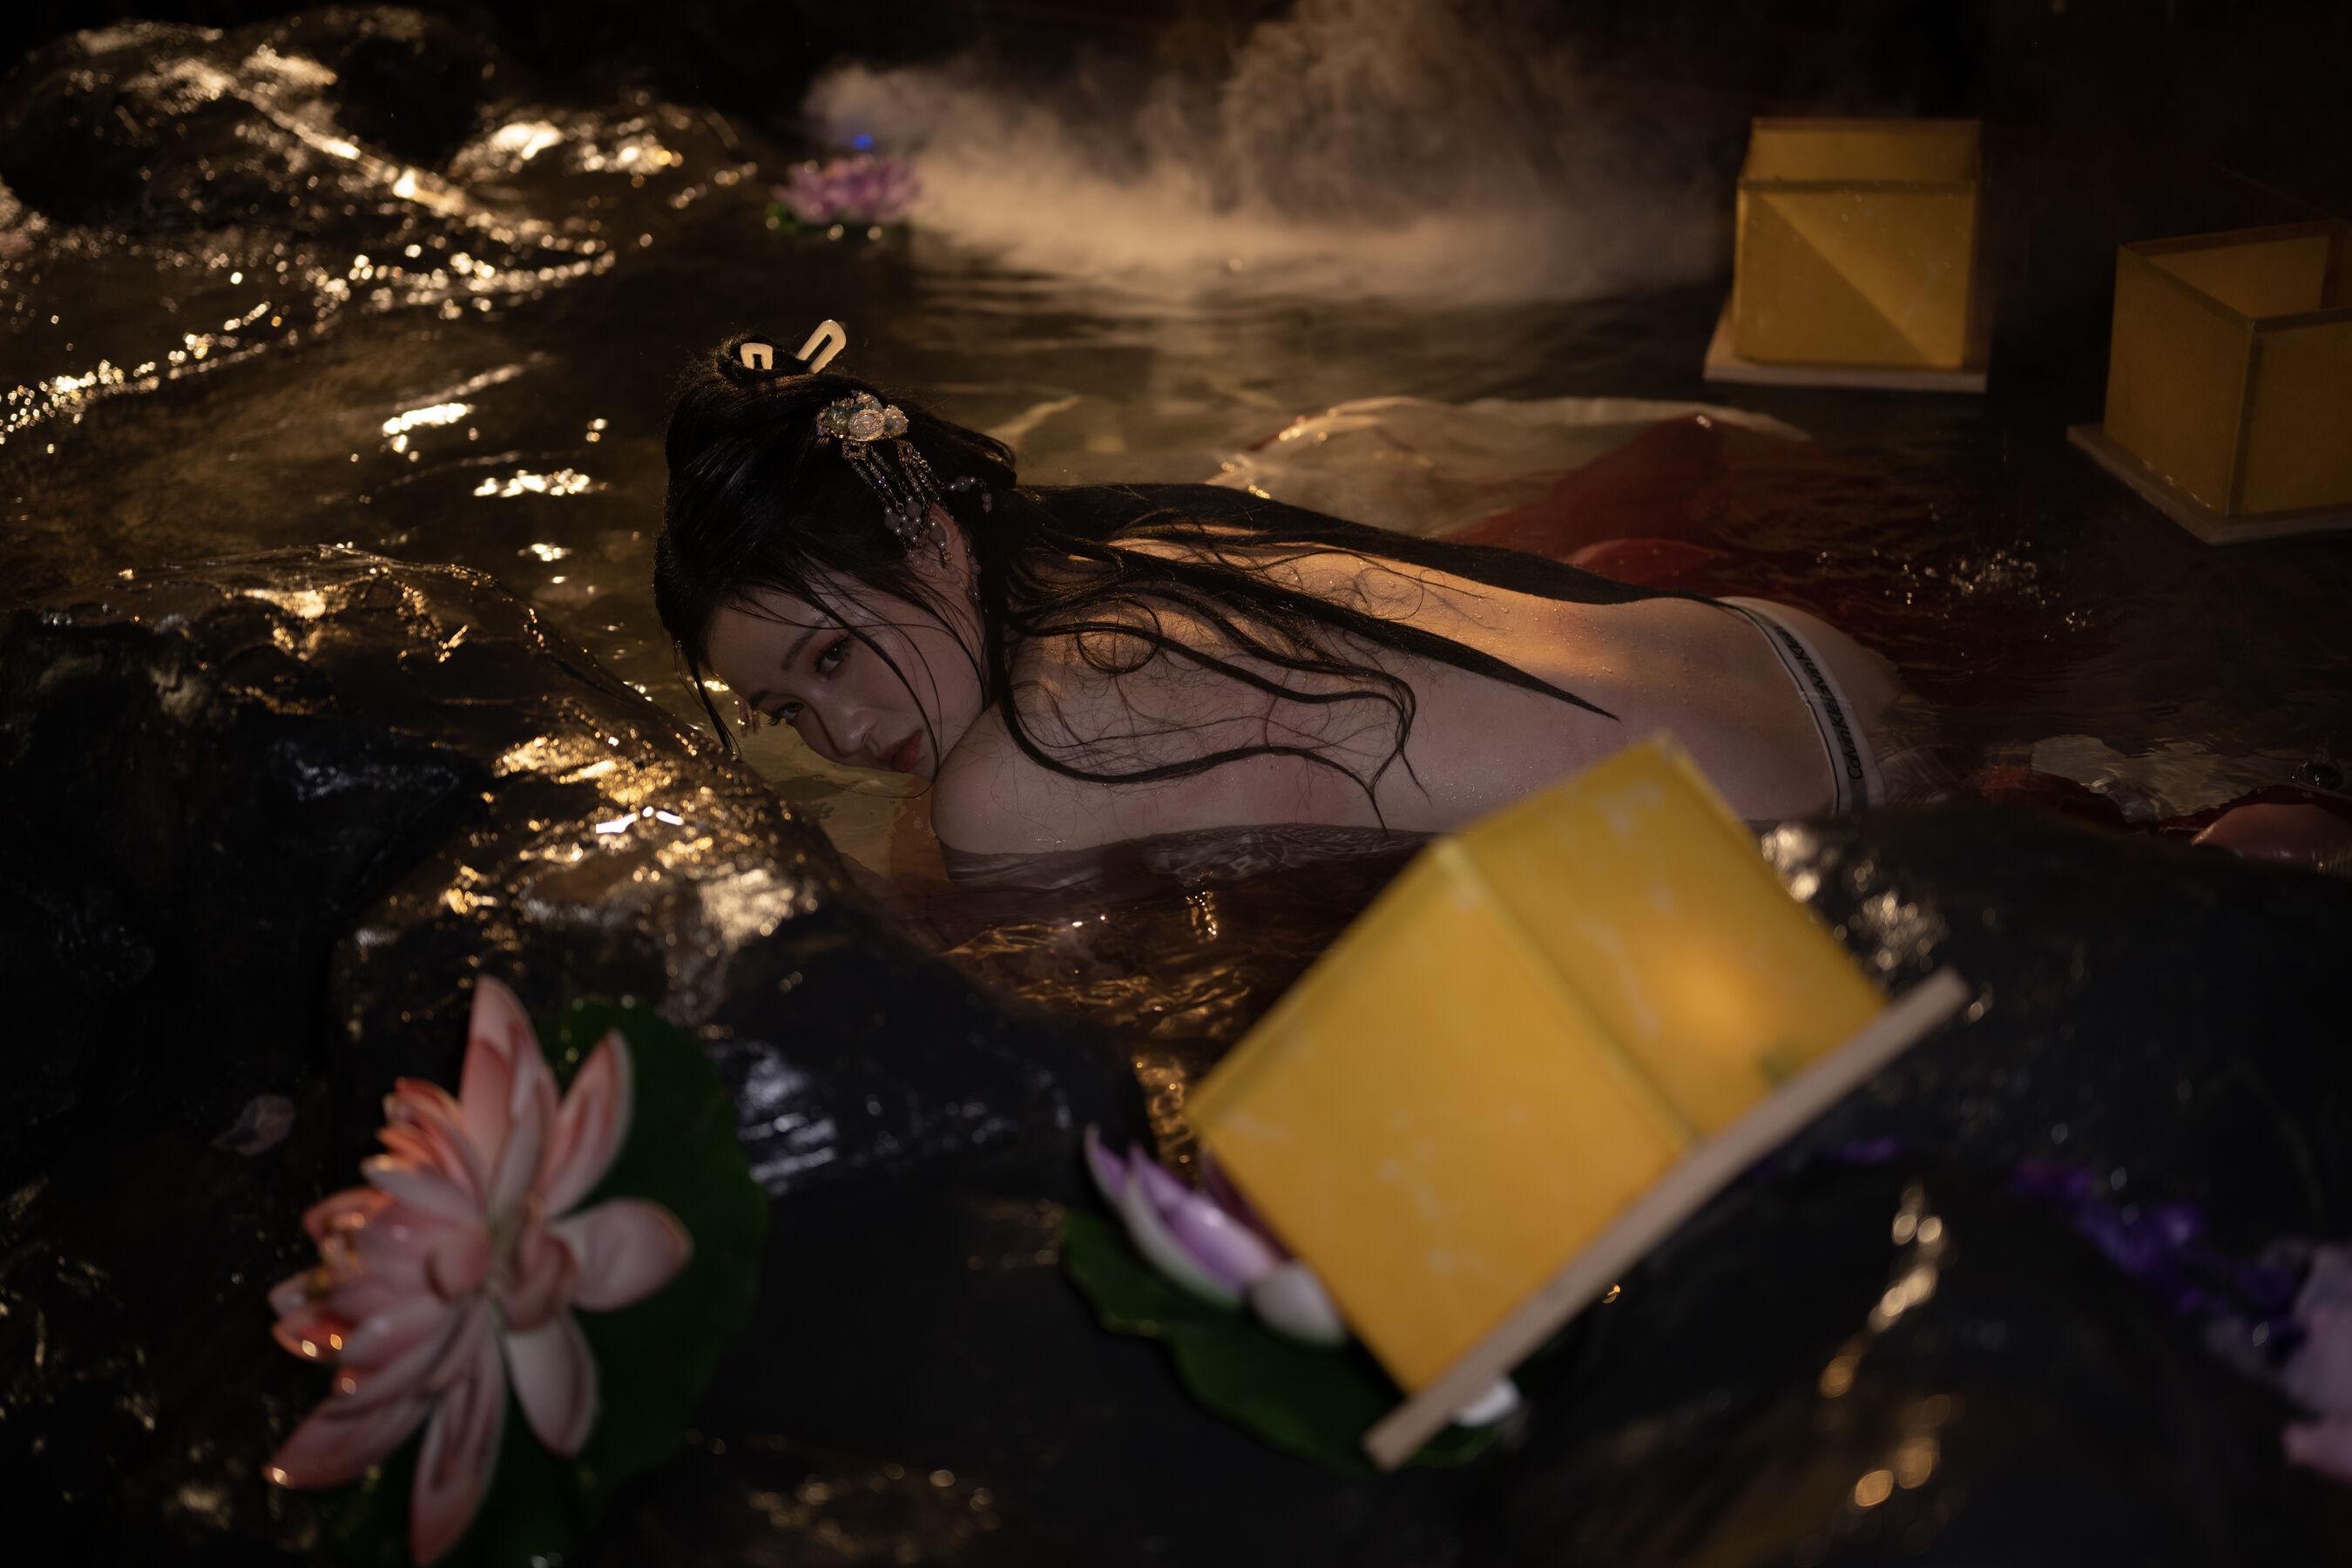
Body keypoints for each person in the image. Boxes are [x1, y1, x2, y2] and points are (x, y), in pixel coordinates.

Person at [654, 329, 2339, 886]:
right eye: (790, 710)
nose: (843, 726)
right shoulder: (1118, 538)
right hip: (1804, 666)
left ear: (928, 542)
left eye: (832, 652)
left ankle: (2215, 856)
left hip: (1806, 833)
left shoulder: (1015, 768)